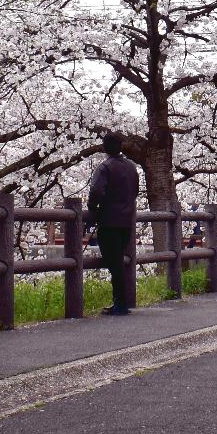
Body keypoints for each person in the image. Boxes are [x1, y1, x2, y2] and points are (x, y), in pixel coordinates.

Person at [87, 132, 142, 316]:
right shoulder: (131, 167)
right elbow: (135, 190)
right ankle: (121, 302)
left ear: (104, 147)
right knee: (118, 261)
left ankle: (121, 304)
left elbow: (96, 190)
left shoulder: (105, 167)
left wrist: (92, 207)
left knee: (115, 263)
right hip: (126, 221)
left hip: (109, 221)